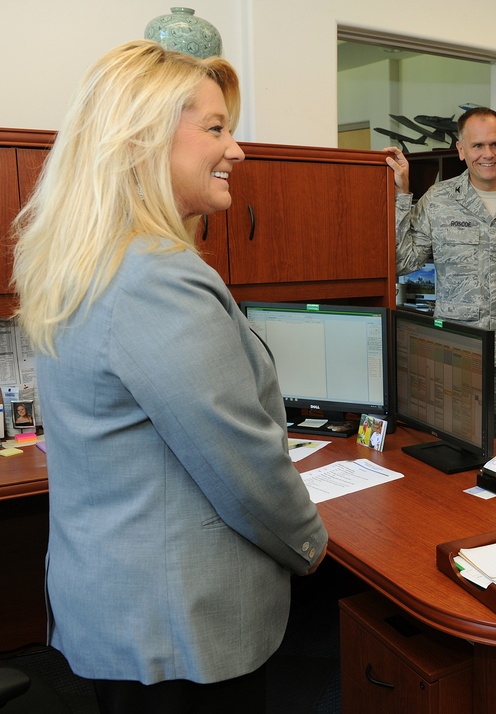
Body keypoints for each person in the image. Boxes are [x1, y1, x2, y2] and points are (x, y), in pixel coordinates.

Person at [11, 40, 328, 713]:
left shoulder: (88, 263)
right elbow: (243, 465)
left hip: (119, 612)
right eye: (215, 129)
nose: (236, 150)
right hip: (178, 632)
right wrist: (310, 544)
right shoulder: (157, 279)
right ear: (141, 141)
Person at [386, 107, 496, 441]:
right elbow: (402, 261)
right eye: (478, 145)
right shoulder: (438, 200)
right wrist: (402, 193)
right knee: (455, 448)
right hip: (456, 353)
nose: (488, 154)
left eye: (495, 144)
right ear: (461, 150)